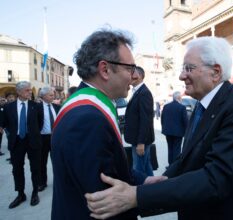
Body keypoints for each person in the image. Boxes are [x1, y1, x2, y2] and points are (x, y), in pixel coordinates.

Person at [85, 36, 233, 220]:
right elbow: (188, 158)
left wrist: (137, 196)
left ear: (215, 72)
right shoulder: (202, 105)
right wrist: (161, 181)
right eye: (183, 68)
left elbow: (217, 178)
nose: (181, 76)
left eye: (189, 68)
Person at [50, 29, 164, 220]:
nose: (133, 76)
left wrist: (144, 180)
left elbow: (110, 169)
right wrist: (154, 197)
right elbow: (107, 200)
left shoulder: (86, 108)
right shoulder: (87, 119)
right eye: (130, 68)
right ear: (104, 70)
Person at [0, 81, 42, 208]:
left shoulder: (35, 106)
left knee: (35, 168)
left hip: (32, 141)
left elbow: (39, 123)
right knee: (17, 169)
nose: (30, 92)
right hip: (17, 141)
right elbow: (4, 123)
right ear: (18, 92)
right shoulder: (8, 107)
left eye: (30, 90)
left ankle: (35, 192)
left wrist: (33, 133)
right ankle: (20, 194)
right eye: (27, 90)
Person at [124, 66, 155, 176]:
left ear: (140, 76)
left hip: (141, 141)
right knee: (146, 167)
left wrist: (141, 142)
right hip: (137, 139)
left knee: (138, 170)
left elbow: (145, 120)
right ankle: (155, 189)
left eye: (133, 73)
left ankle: (141, 191)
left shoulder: (144, 93)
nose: (130, 75)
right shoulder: (138, 91)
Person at [37, 86, 61, 192]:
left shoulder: (56, 107)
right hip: (43, 138)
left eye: (53, 94)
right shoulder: (37, 107)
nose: (53, 96)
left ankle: (59, 180)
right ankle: (42, 182)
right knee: (42, 161)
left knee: (57, 160)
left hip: (55, 137)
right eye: (51, 95)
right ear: (44, 96)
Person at [161, 91, 188, 165]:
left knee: (170, 149)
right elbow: (185, 121)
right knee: (176, 150)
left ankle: (170, 165)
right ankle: (174, 166)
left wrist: (164, 128)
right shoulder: (182, 107)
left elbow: (162, 118)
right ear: (179, 98)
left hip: (168, 131)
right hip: (178, 132)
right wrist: (187, 131)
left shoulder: (166, 106)